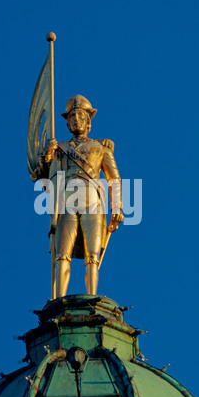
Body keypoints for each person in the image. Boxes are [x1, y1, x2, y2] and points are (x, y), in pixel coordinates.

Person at [31, 95, 123, 297]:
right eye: (71, 117)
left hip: (92, 202)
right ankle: (59, 298)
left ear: (88, 120)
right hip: (67, 202)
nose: (75, 119)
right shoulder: (59, 149)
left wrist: (117, 207)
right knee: (62, 254)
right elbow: (41, 176)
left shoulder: (101, 148)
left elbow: (113, 179)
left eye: (80, 115)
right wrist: (46, 154)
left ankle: (92, 296)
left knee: (93, 255)